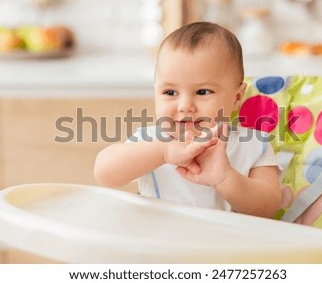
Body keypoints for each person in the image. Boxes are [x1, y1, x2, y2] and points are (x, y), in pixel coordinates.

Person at [94, 22, 281, 218]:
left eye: (202, 92)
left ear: (236, 98)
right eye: (170, 92)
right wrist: (163, 152)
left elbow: (268, 209)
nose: (185, 105)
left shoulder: (253, 144)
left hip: (228, 246)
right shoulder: (151, 141)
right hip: (161, 243)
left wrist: (225, 177)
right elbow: (104, 173)